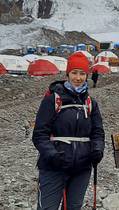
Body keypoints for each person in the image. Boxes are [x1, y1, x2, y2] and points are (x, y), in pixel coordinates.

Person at [32, 53, 105, 210]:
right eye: (74, 72)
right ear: (67, 74)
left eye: (82, 73)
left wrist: (98, 149)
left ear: (87, 75)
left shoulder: (91, 103)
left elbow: (98, 133)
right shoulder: (53, 99)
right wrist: (52, 155)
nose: (78, 78)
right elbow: (39, 134)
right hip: (54, 166)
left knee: (73, 207)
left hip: (82, 167)